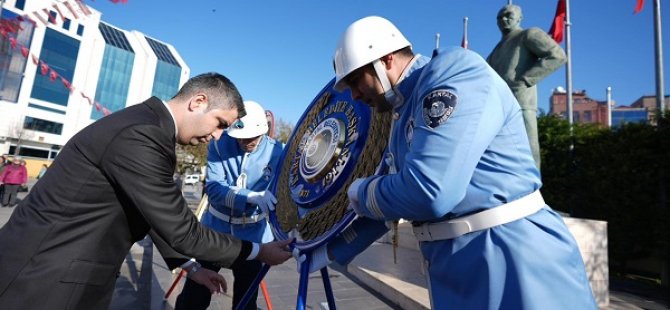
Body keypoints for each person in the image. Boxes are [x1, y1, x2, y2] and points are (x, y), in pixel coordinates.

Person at [301, 16, 596, 309]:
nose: (354, 94)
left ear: (386, 60)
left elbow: (428, 191)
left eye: (355, 80)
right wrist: (326, 249)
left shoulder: (454, 71)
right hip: (461, 269)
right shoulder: (403, 110)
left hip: (516, 262)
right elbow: (396, 201)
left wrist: (361, 191)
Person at [0, 72, 293, 309]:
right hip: (45, 278)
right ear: (198, 102)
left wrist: (191, 268)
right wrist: (258, 250)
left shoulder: (147, 128)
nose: (218, 136)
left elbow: (148, 213)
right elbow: (183, 231)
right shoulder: (143, 135)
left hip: (64, 272)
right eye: (219, 124)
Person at [176, 100, 284, 310]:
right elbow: (215, 189)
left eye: (250, 138)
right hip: (215, 231)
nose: (244, 143)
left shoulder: (278, 152)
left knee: (245, 302)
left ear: (263, 131)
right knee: (194, 297)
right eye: (240, 138)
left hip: (253, 236)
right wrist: (250, 197)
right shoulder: (218, 144)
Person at [487, 4, 567, 169]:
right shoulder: (497, 49)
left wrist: (525, 80)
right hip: (499, 105)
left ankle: (532, 188)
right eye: (499, 17)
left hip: (521, 101)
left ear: (519, 18)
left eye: (508, 15)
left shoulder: (528, 34)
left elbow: (557, 56)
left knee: (527, 148)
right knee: (501, 150)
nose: (503, 19)